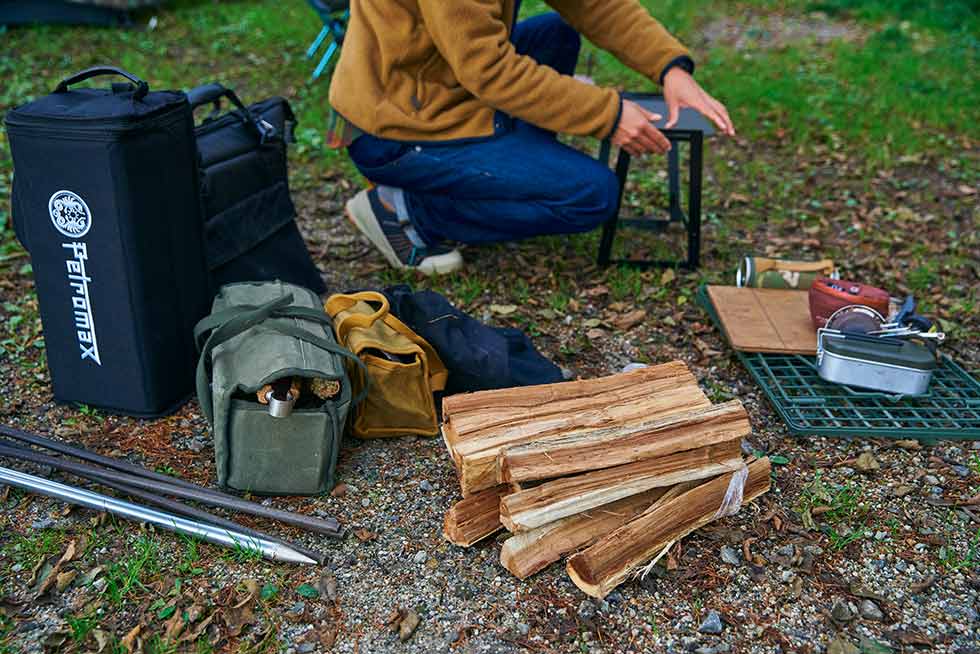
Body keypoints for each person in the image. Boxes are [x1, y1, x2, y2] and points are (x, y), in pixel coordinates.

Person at [328, 0, 735, 275]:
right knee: (591, 195)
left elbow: (594, 4)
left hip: (445, 84)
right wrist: (607, 115)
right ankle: (406, 210)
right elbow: (488, 70)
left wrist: (670, 68)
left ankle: (513, 161)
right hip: (397, 123)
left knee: (555, 33)